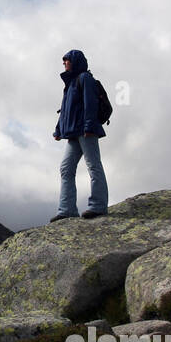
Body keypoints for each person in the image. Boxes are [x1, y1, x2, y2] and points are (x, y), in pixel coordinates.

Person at [51, 48, 108, 220]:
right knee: (66, 168)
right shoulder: (69, 84)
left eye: (66, 60)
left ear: (75, 61)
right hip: (74, 133)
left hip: (86, 130)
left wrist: (89, 127)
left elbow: (90, 104)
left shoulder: (85, 78)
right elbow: (65, 110)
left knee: (93, 165)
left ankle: (98, 206)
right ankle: (67, 210)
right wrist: (58, 130)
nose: (64, 63)